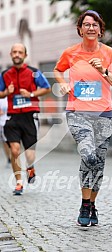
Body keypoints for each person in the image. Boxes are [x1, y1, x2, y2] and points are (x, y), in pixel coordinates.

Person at [54, 10, 112, 226]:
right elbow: (58, 69)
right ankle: (86, 204)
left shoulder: (109, 53)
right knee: (88, 153)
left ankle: (90, 204)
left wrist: (103, 71)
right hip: (77, 112)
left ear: (100, 29)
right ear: (80, 29)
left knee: (99, 164)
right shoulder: (71, 52)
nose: (91, 28)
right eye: (86, 24)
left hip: (103, 113)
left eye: (94, 24)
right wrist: (63, 83)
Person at [0, 43, 51, 195]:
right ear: (11, 54)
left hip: (30, 116)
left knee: (29, 154)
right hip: (12, 117)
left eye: (20, 52)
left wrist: (31, 94)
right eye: (14, 52)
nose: (17, 54)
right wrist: (5, 93)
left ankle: (30, 167)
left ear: (25, 55)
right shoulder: (5, 74)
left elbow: (47, 88)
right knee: (15, 151)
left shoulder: (34, 72)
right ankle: (19, 183)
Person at [0, 95, 11, 167]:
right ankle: (9, 159)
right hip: (1, 123)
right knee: (5, 141)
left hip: (11, 121)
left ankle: (13, 158)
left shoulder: (11, 95)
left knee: (12, 142)